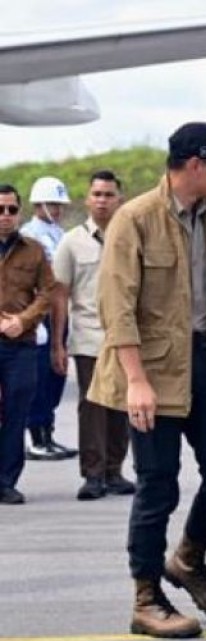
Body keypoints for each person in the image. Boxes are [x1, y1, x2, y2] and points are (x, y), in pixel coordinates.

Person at [89, 122, 206, 639]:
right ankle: (146, 597)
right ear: (197, 165)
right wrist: (136, 381)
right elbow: (117, 308)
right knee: (157, 485)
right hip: (152, 370)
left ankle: (188, 559)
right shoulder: (134, 219)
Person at [51, 171, 136, 501]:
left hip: (125, 336)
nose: (102, 200)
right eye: (97, 194)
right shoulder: (71, 241)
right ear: (87, 199)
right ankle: (93, 474)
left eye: (109, 194)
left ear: (120, 199)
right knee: (92, 406)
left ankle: (115, 471)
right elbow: (60, 295)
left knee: (122, 407)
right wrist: (58, 342)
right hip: (88, 336)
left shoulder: (131, 237)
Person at [0, 183, 55, 505]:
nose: (5, 216)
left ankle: (7, 480)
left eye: (11, 209)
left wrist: (24, 320)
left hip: (21, 344)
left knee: (16, 413)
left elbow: (48, 292)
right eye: (0, 209)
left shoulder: (33, 249)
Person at [21, 176, 76, 461]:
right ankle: (37, 437)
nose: (57, 209)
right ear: (38, 203)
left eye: (59, 204)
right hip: (39, 315)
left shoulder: (59, 233)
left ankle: (49, 432)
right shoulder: (29, 235)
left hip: (60, 311)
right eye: (52, 204)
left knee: (57, 373)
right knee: (40, 377)